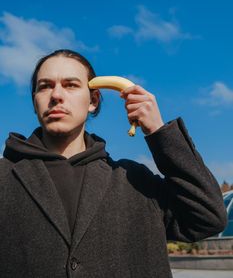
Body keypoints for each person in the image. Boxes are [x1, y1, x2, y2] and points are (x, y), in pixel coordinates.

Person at [0, 49, 227, 278]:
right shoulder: (3, 177)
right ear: (35, 100)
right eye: (45, 86)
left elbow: (208, 217)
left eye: (71, 85)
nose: (56, 95)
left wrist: (159, 133)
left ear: (93, 100)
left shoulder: (134, 179)